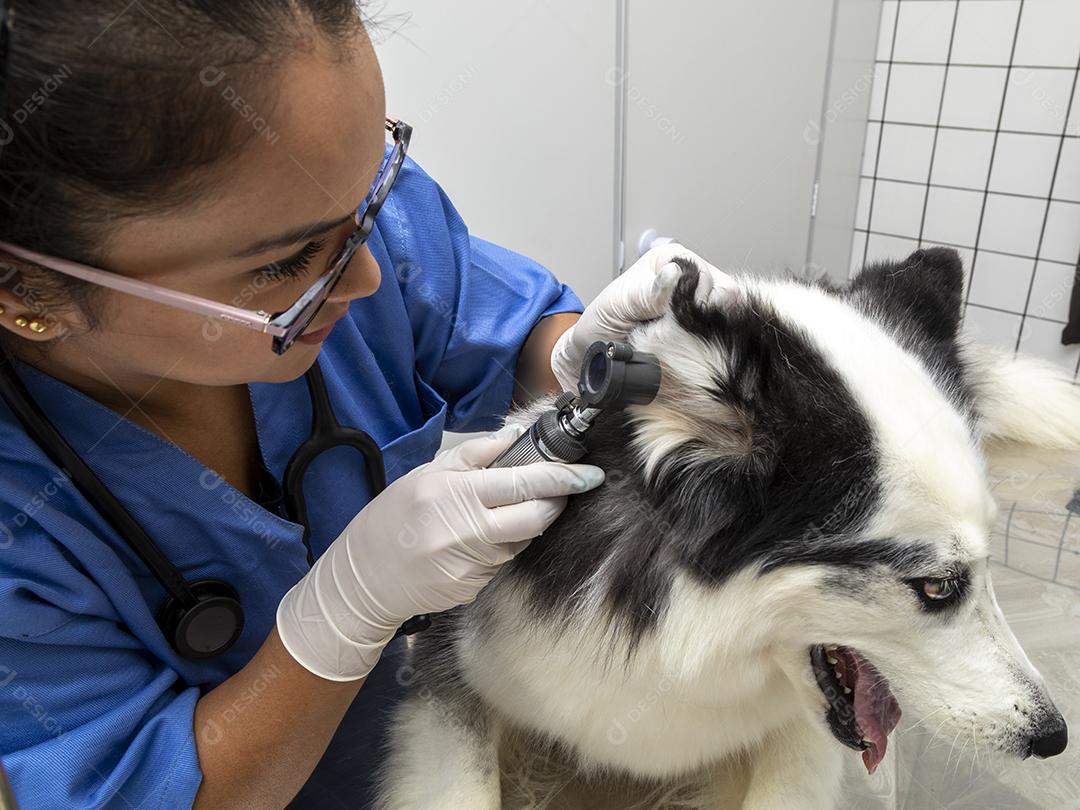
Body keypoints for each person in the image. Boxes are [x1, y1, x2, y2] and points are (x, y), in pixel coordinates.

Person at [0, 3, 723, 808]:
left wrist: (583, 360)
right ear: (24, 292)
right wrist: (338, 616)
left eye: (369, 199)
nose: (367, 277)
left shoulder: (338, 220)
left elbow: (503, 330)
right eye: (287, 263)